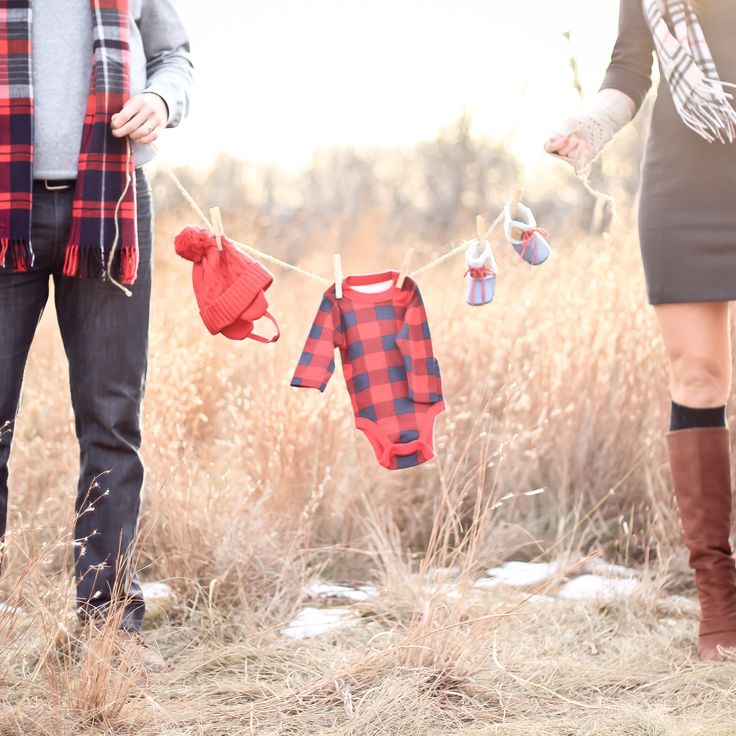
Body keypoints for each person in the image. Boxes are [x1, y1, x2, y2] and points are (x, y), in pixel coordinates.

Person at [0, 0, 192, 672]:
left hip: (109, 204)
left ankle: (109, 631)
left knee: (112, 423)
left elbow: (175, 57)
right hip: (2, 204)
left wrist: (161, 101)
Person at [545, 0, 736, 661]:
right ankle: (719, 606)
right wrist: (591, 124)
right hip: (684, 187)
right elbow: (630, 69)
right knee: (698, 376)